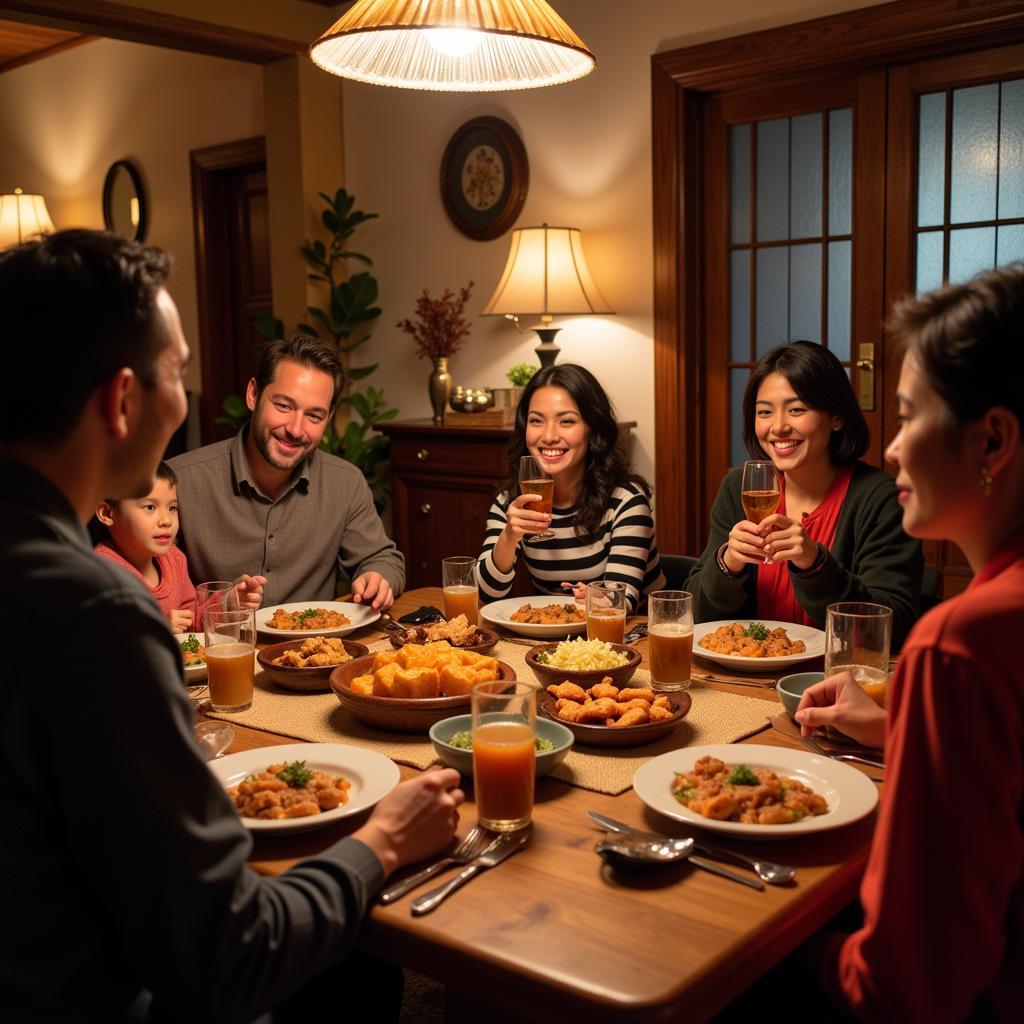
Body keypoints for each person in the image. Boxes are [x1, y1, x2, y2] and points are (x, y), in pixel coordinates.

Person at [0, 229, 463, 1021]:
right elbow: (229, 952)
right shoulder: (94, 616)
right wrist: (381, 842)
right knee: (354, 969)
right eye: (177, 372)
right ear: (121, 400)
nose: (185, 399)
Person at [794, 265, 1024, 1020]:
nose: (890, 449)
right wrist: (896, 727)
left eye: (906, 417)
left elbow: (904, 981)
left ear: (992, 440)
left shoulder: (959, 640)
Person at [686, 341, 922, 645]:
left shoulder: (880, 499)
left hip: (838, 680)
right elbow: (692, 614)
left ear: (836, 417)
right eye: (765, 412)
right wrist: (728, 563)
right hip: (744, 680)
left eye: (797, 410)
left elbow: (894, 625)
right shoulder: (740, 489)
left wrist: (815, 564)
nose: (779, 427)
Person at [169, 335, 404, 610]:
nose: (295, 428)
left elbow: (383, 558)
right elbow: (145, 588)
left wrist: (378, 577)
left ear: (328, 418)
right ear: (253, 395)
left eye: (314, 416)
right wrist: (221, 604)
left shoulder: (346, 482)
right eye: (283, 406)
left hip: (315, 648)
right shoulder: (179, 481)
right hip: (219, 648)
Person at [477, 364, 665, 614]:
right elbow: (484, 595)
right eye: (536, 421)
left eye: (566, 421)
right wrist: (509, 536)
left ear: (592, 428)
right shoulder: (510, 502)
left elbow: (621, 604)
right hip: (556, 640)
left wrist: (598, 599)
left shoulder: (626, 502)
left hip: (632, 640)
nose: (549, 436)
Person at [94, 460, 264, 632]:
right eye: (150, 507)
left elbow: (191, 622)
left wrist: (230, 604)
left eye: (172, 508)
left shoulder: (173, 558)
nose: (166, 521)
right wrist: (158, 629)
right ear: (107, 513)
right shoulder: (100, 573)